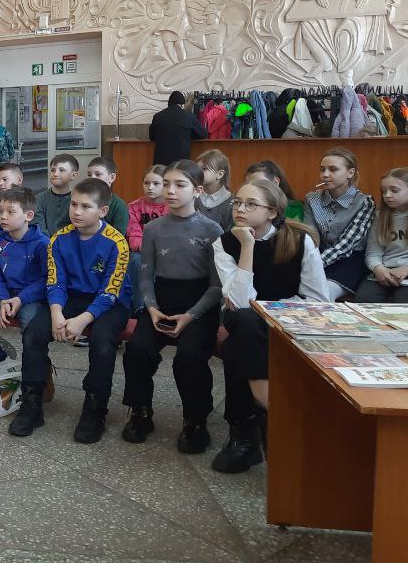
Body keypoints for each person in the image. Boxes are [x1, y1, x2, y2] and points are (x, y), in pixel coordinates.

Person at [211, 179, 330, 473]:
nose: (240, 209)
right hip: (245, 320)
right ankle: (268, 410)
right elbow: (239, 301)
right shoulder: (225, 243)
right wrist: (247, 246)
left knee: (237, 343)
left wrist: (272, 310)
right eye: (238, 202)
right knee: (245, 322)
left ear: (272, 212)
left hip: (290, 320)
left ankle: (244, 433)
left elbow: (318, 300)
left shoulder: (299, 241)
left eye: (251, 204)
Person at [13, 178, 132, 442]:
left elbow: (110, 291)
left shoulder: (116, 242)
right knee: (33, 333)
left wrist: (82, 320)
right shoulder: (59, 238)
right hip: (71, 297)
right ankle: (32, 402)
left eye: (86, 207)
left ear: (102, 211)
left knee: (102, 341)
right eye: (74, 204)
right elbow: (55, 281)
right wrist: (56, 313)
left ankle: (95, 408)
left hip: (110, 302)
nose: (77, 212)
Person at [120, 161, 223, 451]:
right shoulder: (154, 228)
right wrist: (152, 308)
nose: (170, 190)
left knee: (189, 357)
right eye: (166, 184)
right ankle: (141, 411)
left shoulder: (211, 229)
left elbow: (217, 285)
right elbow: (146, 275)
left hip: (199, 304)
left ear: (198, 190)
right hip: (162, 299)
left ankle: (195, 418)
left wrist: (191, 316)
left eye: (180, 185)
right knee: (137, 351)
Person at [0, 186, 49, 370]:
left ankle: (38, 370)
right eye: (1, 211)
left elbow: (46, 280)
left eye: (10, 212)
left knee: (31, 327)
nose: (3, 216)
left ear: (28, 216)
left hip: (30, 297)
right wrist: (1, 299)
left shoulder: (42, 244)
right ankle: (2, 365)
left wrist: (21, 299)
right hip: (3, 294)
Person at [303, 147, 375, 299]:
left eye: (333, 169)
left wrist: (314, 264)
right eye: (322, 169)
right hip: (317, 255)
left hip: (349, 260)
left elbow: (347, 243)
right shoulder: (312, 198)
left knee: (323, 293)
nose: (325, 174)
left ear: (350, 173)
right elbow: (310, 236)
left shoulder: (365, 202)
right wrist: (308, 262)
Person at [353, 167, 408, 303]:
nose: (387, 195)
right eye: (384, 191)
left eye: (394, 190)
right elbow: (372, 253)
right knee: (364, 299)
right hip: (383, 272)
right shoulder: (380, 216)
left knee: (407, 304)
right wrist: (378, 269)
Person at [127, 165, 169, 314]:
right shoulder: (133, 207)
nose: (150, 187)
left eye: (156, 183)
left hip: (166, 250)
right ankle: (139, 308)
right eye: (146, 183)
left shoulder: (172, 206)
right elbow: (134, 233)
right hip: (142, 251)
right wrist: (146, 248)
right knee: (135, 261)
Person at [149, 90, 206, 165]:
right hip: (180, 163)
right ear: (182, 104)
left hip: (160, 162)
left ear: (169, 104)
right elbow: (203, 134)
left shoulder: (158, 116)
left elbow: (152, 137)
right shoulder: (189, 116)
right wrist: (188, 135)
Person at [32, 153, 80, 236]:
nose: (55, 174)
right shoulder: (39, 199)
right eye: (53, 170)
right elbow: (39, 228)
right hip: (45, 243)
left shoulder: (79, 199)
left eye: (61, 170)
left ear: (73, 175)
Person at [85, 156, 129, 236]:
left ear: (112, 177)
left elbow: (118, 237)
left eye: (98, 174)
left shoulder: (120, 206)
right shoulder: (83, 200)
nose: (92, 178)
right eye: (89, 175)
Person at [195, 149, 233, 230]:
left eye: (204, 168)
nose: (198, 172)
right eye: (197, 168)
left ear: (220, 174)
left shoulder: (232, 202)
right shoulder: (193, 197)